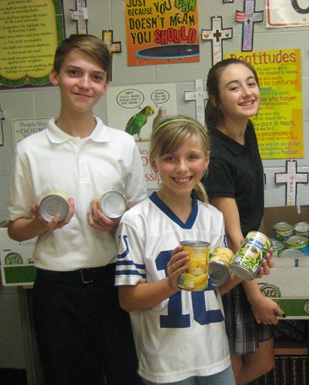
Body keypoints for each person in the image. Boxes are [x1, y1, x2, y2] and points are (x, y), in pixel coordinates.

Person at [6, 34, 146, 385]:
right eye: (74, 73)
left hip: (114, 283)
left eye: (96, 76)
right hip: (56, 291)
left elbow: (141, 221)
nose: (84, 84)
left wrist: (115, 225)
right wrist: (40, 223)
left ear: (106, 86)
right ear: (55, 76)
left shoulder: (122, 145)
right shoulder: (30, 150)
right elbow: (15, 227)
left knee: (126, 376)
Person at [115, 116, 270, 385]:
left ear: (207, 160)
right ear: (154, 163)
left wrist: (246, 271)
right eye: (171, 158)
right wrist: (171, 284)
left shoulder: (213, 217)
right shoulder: (136, 220)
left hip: (214, 357)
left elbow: (213, 289)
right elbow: (128, 300)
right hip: (165, 364)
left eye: (192, 157)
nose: (182, 168)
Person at [200, 58, 282, 384]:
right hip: (229, 271)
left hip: (248, 262)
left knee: (261, 362)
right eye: (234, 87)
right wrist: (255, 295)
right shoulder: (215, 154)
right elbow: (232, 234)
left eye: (251, 83)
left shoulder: (247, 133)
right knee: (231, 367)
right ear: (217, 101)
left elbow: (251, 216)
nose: (247, 92)